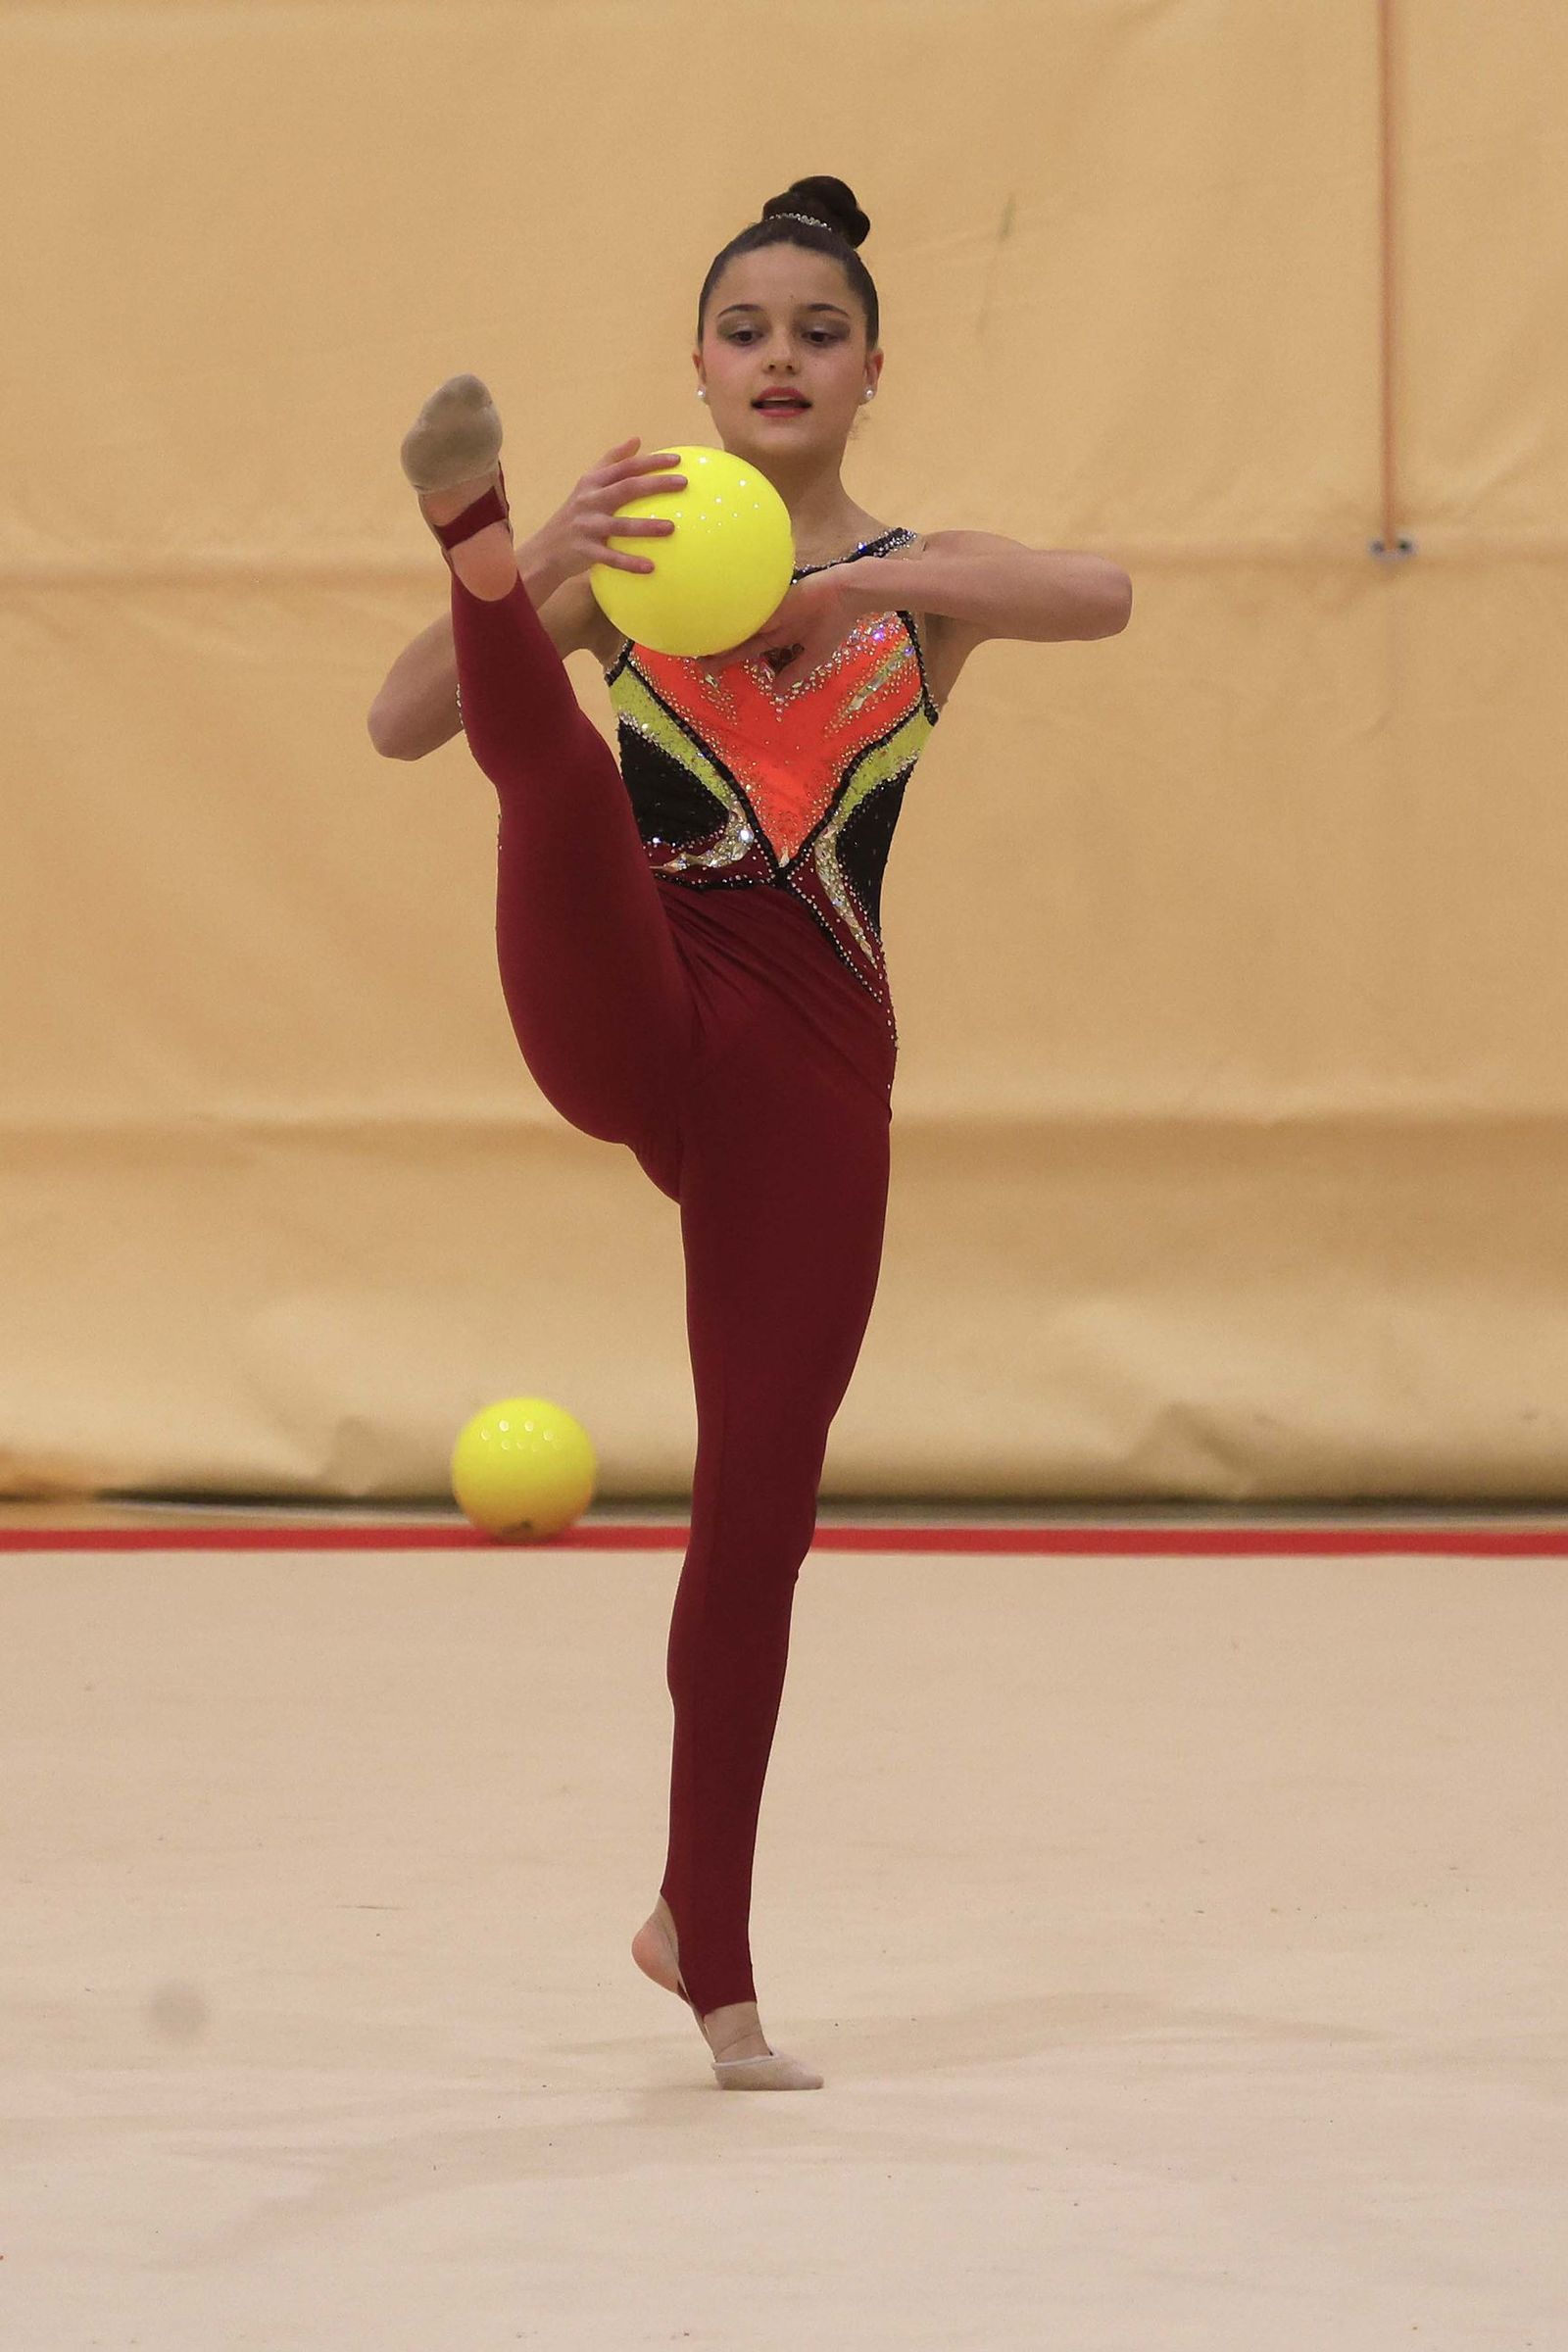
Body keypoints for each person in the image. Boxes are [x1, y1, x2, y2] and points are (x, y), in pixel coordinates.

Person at [368, 174, 1132, 2089]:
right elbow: (398, 722)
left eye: (814, 330)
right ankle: (460, 540)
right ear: (698, 366)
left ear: (869, 365)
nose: (778, 354)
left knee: (758, 1510)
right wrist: (535, 557)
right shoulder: (634, 551)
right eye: (743, 329)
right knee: (539, 782)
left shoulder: (922, 578)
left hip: (811, 1056)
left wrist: (865, 583)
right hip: (635, 983)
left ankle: (702, 1941)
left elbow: (1099, 594)